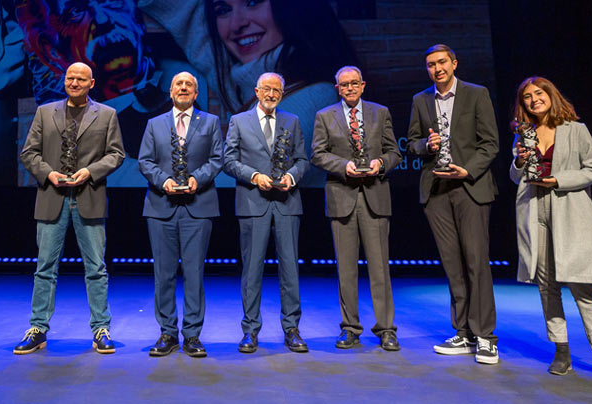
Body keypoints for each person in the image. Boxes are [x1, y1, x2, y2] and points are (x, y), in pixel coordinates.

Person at [105, 0, 357, 183]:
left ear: (291, 4)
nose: (236, 24)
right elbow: (204, 34)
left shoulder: (309, 105)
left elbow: (221, 183)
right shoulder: (259, 84)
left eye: (253, 1)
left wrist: (102, 162)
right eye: (223, 10)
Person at [510, 76, 592, 382]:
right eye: (527, 97)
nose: (534, 100)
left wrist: (558, 180)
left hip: (569, 209)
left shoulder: (576, 130)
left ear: (551, 95)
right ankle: (561, 350)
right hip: (535, 210)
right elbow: (515, 175)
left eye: (539, 93)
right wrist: (519, 161)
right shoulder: (524, 133)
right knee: (546, 285)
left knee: (580, 285)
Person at [14, 62, 125, 355]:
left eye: (81, 79)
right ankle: (37, 328)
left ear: (92, 83)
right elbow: (29, 153)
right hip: (53, 196)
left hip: (89, 196)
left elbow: (116, 154)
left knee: (96, 268)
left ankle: (101, 329)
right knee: (45, 268)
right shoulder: (44, 112)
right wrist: (48, 173)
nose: (74, 83)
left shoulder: (107, 114)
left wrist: (91, 171)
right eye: (70, 78)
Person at [407, 44, 500, 364]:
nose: (437, 68)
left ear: (454, 63)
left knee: (476, 262)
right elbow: (412, 143)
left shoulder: (476, 94)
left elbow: (490, 143)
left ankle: (485, 336)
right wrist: (426, 144)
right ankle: (463, 332)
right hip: (437, 191)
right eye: (431, 64)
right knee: (452, 264)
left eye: (442, 62)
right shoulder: (421, 100)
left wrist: (468, 170)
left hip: (470, 187)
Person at [311, 66, 402, 351]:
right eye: (344, 84)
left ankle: (386, 329)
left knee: (380, 268)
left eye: (354, 83)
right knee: (346, 270)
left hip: (375, 196)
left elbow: (394, 152)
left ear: (363, 85)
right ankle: (350, 328)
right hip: (342, 196)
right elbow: (317, 154)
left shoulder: (380, 112)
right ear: (337, 88)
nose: (349, 88)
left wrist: (381, 163)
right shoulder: (324, 116)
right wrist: (343, 166)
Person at [138, 71, 223, 358]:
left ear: (196, 94)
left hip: (198, 206)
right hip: (161, 206)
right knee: (163, 274)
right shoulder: (154, 124)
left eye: (189, 85)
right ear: (171, 91)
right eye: (179, 84)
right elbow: (145, 161)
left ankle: (192, 335)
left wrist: (198, 178)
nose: (184, 88)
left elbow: (217, 159)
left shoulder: (210, 122)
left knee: (194, 273)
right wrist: (163, 181)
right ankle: (167, 333)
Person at [223, 72, 309, 353]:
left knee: (290, 269)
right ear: (257, 91)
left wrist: (292, 177)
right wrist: (254, 176)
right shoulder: (239, 121)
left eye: (277, 90)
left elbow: (302, 159)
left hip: (287, 202)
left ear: (282, 94)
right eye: (267, 89)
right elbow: (228, 160)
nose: (271, 94)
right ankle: (250, 330)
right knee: (252, 270)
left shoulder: (292, 121)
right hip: (252, 202)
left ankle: (292, 329)